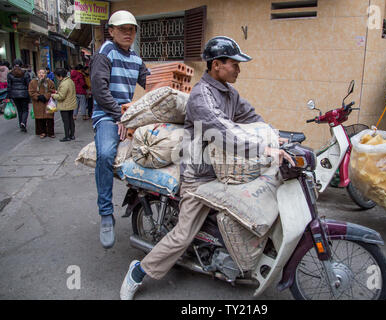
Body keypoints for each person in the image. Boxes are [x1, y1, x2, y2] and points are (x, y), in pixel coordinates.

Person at [119, 36, 294, 300]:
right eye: (233, 63)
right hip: (199, 177)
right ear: (215, 65)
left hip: (223, 171)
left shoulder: (229, 93)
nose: (238, 68)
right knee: (182, 235)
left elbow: (252, 118)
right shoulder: (202, 97)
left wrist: (274, 135)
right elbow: (225, 133)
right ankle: (138, 272)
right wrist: (264, 148)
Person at [90, 10, 149, 249]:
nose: (128, 33)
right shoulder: (105, 53)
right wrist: (120, 117)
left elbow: (152, 84)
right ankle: (106, 213)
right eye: (123, 29)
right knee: (105, 154)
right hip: (107, 116)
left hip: (127, 115)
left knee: (157, 147)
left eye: (132, 29)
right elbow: (99, 90)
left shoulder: (136, 58)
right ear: (111, 31)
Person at [28, 69, 56, 138]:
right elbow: (31, 92)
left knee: (49, 118)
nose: (41, 74)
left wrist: (46, 96)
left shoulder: (50, 82)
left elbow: (53, 91)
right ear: (37, 74)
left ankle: (50, 132)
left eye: (43, 73)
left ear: (45, 74)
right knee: (40, 118)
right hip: (38, 103)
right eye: (40, 73)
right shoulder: (33, 82)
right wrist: (38, 97)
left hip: (48, 102)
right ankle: (42, 132)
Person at [51, 68, 77, 142]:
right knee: (70, 120)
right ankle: (72, 135)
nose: (56, 78)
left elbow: (61, 96)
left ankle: (67, 136)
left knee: (66, 121)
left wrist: (53, 95)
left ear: (60, 76)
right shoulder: (70, 81)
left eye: (57, 76)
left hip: (65, 105)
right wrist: (58, 92)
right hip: (70, 104)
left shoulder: (64, 83)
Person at [7, 59, 31, 132]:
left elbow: (9, 86)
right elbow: (28, 84)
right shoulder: (25, 73)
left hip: (14, 95)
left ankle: (21, 125)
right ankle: (23, 122)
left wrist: (8, 96)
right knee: (25, 110)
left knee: (19, 110)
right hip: (24, 94)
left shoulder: (10, 74)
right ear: (21, 64)